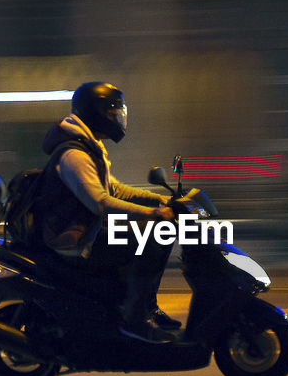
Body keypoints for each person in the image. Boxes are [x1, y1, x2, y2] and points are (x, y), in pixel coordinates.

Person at [36, 81, 183, 344]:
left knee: (158, 234)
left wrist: (160, 200)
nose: (118, 118)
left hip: (86, 228)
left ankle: (145, 306)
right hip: (75, 238)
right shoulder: (74, 154)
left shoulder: (88, 143)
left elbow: (113, 188)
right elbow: (100, 203)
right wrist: (154, 215)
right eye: (113, 113)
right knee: (152, 238)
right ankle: (135, 321)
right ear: (95, 113)